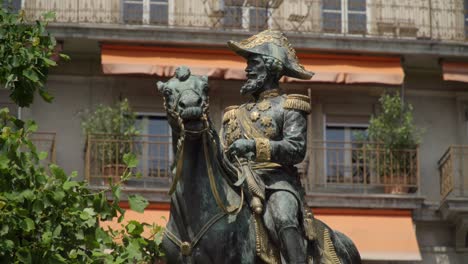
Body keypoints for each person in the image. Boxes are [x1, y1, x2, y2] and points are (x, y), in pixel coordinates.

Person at [221, 29, 314, 264]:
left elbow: (296, 148)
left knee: (283, 218)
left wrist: (254, 146)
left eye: (253, 62)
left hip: (276, 182)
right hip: (237, 183)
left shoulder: (290, 106)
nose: (247, 69)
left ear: (271, 67)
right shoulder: (233, 114)